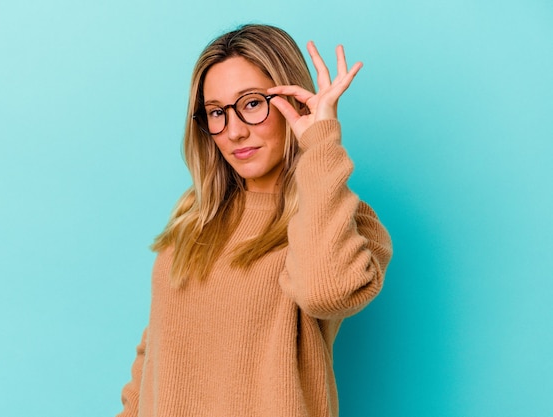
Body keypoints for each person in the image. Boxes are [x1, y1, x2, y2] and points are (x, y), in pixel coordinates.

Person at [117, 23, 392, 417]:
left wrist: (321, 143)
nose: (234, 131)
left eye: (251, 104)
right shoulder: (192, 221)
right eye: (216, 113)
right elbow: (155, 356)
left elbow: (326, 292)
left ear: (294, 102)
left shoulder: (343, 217)